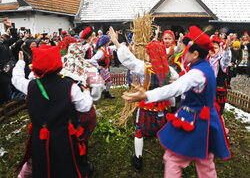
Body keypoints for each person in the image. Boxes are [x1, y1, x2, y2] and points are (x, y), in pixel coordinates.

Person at [122, 26, 231, 178]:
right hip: (207, 122)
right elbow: (192, 85)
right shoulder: (204, 68)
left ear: (195, 53)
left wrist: (145, 95)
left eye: (184, 48)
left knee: (173, 159)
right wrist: (180, 80)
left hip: (194, 122)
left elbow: (173, 89)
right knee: (205, 165)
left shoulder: (196, 73)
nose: (181, 51)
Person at [12, 45, 93, 177]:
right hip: (64, 137)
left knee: (42, 162)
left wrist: (20, 62)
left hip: (40, 137)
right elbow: (84, 107)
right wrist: (87, 93)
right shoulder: (71, 87)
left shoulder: (30, 86)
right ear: (58, 63)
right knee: (66, 164)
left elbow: (16, 79)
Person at [109, 26, 179, 172]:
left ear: (150, 55)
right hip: (163, 107)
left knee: (139, 130)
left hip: (147, 106)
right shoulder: (169, 70)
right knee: (165, 131)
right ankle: (170, 158)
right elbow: (177, 83)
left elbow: (129, 60)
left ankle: (138, 158)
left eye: (148, 53)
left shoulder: (144, 67)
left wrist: (116, 42)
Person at [208, 36, 231, 115]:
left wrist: (226, 49)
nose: (213, 50)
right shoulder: (206, 61)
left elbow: (226, 60)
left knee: (217, 114)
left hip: (218, 94)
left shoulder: (220, 62)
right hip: (207, 92)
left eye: (215, 48)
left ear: (219, 49)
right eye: (211, 48)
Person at [0, 18, 18, 105]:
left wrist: (11, 27)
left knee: (10, 92)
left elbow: (15, 38)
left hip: (9, 70)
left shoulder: (4, 43)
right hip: (2, 75)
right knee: (5, 94)